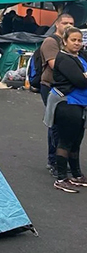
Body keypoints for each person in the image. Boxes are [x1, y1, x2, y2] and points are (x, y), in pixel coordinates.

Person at [48, 26, 87, 193]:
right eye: (73, 40)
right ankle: (61, 178)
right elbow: (80, 81)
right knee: (65, 141)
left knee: (76, 141)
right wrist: (84, 76)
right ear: (64, 41)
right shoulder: (64, 58)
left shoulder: (78, 57)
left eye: (79, 40)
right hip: (67, 103)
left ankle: (77, 175)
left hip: (80, 104)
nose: (77, 43)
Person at [40, 13, 74, 175]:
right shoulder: (51, 42)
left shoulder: (73, 42)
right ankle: (53, 160)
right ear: (57, 25)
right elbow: (56, 65)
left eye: (71, 23)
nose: (68, 25)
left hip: (69, 89)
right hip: (51, 87)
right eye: (65, 22)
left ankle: (64, 159)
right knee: (54, 124)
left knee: (67, 125)